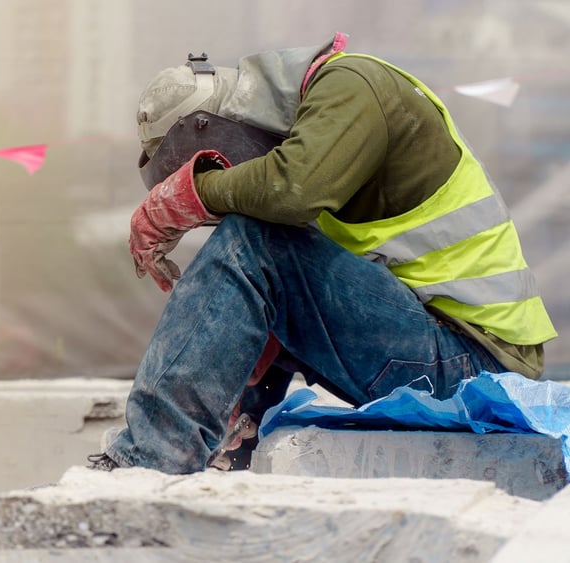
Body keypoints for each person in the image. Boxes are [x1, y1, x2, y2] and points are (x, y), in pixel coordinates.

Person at [87, 32, 558, 474]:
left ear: (213, 128)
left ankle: (152, 457)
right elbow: (311, 264)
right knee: (262, 257)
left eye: (212, 161)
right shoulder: (324, 133)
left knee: (256, 241)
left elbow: (291, 190)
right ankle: (230, 452)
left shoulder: (351, 87)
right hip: (450, 357)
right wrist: (242, 338)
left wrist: (192, 193)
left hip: (478, 372)